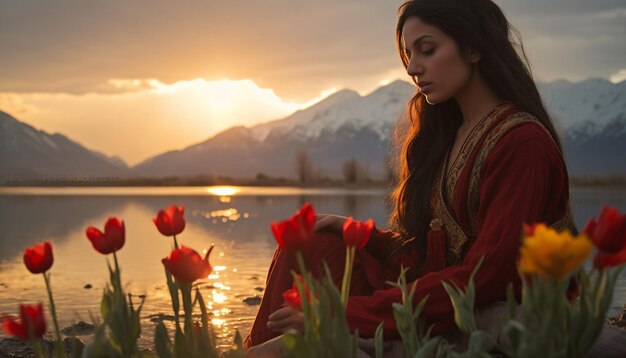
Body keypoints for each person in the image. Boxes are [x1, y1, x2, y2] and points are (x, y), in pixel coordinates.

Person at [245, 0, 575, 354]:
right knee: (313, 243)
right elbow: (434, 255)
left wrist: (340, 312)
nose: (413, 68)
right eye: (408, 54)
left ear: (474, 47)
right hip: (446, 296)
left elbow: (488, 275)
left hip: (493, 311)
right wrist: (365, 236)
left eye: (427, 50)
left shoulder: (521, 143)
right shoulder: (450, 135)